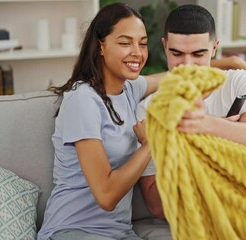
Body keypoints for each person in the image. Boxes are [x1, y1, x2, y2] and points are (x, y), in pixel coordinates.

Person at [37, 3, 165, 240]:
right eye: (125, 43)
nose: (137, 52)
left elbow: (172, 78)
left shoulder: (129, 89)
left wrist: (227, 67)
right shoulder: (83, 100)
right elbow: (106, 196)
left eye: (143, 43)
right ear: (101, 46)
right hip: (72, 230)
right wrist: (149, 145)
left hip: (119, 233)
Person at [136, 4, 246, 220]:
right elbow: (156, 205)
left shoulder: (242, 82)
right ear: (165, 47)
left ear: (215, 47)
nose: (188, 65)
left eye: (199, 54)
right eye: (177, 53)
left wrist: (202, 125)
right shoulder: (149, 109)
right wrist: (227, 135)